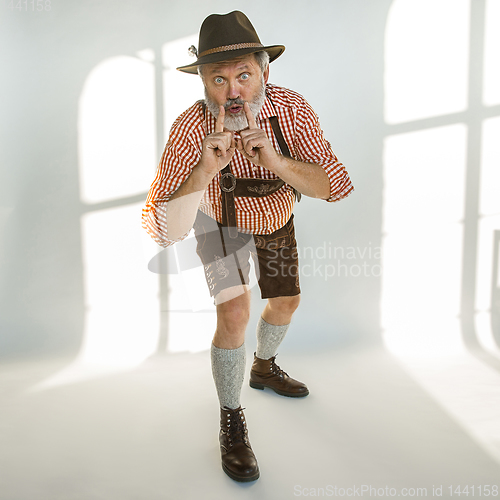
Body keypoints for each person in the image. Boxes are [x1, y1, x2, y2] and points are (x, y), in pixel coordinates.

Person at [142, 11, 354, 482]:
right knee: (234, 312)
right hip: (219, 222)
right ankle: (231, 419)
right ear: (202, 82)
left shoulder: (292, 110)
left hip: (276, 216)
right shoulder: (189, 127)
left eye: (243, 74)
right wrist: (202, 171)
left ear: (264, 72)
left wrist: (276, 162)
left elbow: (332, 185)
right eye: (219, 79)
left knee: (286, 301)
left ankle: (264, 366)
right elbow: (164, 230)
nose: (233, 90)